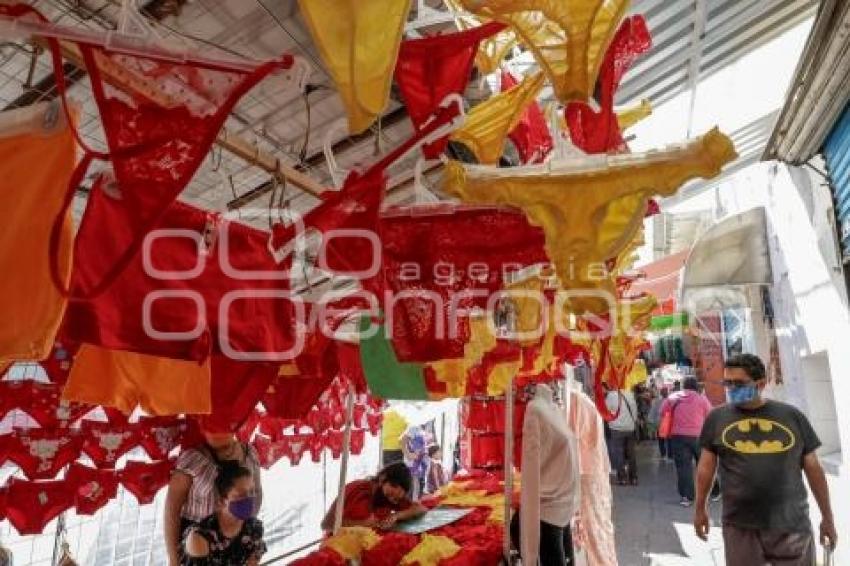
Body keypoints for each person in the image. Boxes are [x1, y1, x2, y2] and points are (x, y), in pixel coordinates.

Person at [694, 354, 837, 566]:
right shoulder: (717, 418)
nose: (732, 388)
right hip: (740, 524)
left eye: (739, 383)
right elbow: (706, 468)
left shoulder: (791, 416)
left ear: (760, 383)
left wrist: (827, 517)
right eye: (728, 383)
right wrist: (700, 509)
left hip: (790, 523)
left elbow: (813, 468)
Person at [165, 431, 263, 566]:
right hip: (199, 546)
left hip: (239, 537)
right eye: (212, 429)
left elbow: (256, 493)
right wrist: (173, 560)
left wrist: (247, 536)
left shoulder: (250, 454)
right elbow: (172, 510)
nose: (218, 433)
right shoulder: (193, 459)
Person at [183, 461, 265, 565]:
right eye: (240, 495)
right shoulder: (200, 538)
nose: (249, 499)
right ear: (221, 500)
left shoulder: (253, 527)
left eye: (252, 492)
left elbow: (253, 562)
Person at [320, 462, 427, 533]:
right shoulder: (358, 488)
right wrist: (362, 524)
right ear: (382, 478)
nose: (391, 500)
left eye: (396, 499)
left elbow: (421, 509)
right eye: (391, 493)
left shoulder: (392, 498)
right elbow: (326, 524)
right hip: (340, 547)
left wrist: (396, 516)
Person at [662, 376, 713, 506]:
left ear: (683, 386)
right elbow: (711, 416)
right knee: (705, 465)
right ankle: (714, 491)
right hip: (699, 437)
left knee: (683, 467)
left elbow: (662, 412)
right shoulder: (702, 399)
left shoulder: (673, 398)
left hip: (678, 437)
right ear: (696, 386)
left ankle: (687, 497)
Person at [605, 386, 639, 485]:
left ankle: (622, 478)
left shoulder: (611, 395)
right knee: (631, 453)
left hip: (616, 428)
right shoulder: (630, 394)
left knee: (618, 453)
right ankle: (634, 478)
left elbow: (606, 410)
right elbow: (635, 412)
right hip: (630, 427)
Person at [648, 387, 670, 460]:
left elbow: (652, 412)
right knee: (668, 439)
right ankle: (669, 454)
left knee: (661, 439)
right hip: (668, 423)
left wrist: (651, 421)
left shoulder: (657, 401)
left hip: (660, 423)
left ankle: (663, 454)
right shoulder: (671, 401)